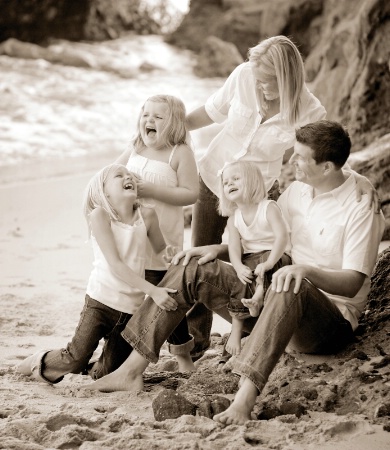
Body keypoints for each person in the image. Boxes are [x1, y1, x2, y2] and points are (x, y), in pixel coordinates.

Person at [83, 120, 384, 432]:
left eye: (300, 158)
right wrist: (217, 250)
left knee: (293, 283)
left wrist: (305, 270)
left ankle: (244, 399)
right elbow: (260, 240)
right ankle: (132, 369)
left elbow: (353, 283)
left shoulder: (360, 206)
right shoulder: (297, 192)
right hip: (269, 299)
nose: (291, 162)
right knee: (192, 265)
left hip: (326, 322)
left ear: (327, 167)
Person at [185, 35, 379, 361]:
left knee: (256, 263)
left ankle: (253, 325)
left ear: (287, 76)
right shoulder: (244, 76)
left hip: (258, 195)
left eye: (267, 81)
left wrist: (358, 179)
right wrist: (174, 131)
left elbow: (327, 152)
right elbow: (210, 111)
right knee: (201, 254)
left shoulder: (310, 109)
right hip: (214, 178)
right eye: (257, 79)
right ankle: (196, 343)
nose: (260, 86)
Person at [16, 164, 181, 384]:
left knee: (107, 374)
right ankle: (40, 359)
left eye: (129, 175)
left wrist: (169, 253)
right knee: (75, 358)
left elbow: (161, 250)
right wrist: (153, 291)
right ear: (104, 191)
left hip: (131, 309)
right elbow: (116, 264)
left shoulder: (147, 215)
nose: (127, 176)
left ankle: (93, 368)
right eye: (118, 175)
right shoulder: (101, 215)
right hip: (101, 301)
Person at [116, 94, 199, 371]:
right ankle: (122, 351)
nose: (149, 120)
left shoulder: (180, 152)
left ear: (173, 123)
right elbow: (112, 174)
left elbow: (190, 194)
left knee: (166, 296)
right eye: (145, 115)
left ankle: (182, 355)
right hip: (132, 236)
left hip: (164, 240)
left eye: (158, 117)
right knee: (131, 293)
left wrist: (151, 190)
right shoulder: (136, 146)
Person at [218, 161, 290, 356]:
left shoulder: (268, 207)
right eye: (225, 182)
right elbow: (234, 246)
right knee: (240, 278)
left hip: (276, 254)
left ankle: (258, 298)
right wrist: (238, 265)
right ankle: (236, 328)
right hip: (251, 257)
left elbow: (282, 237)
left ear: (251, 181)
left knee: (265, 268)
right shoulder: (234, 218)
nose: (229, 184)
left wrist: (269, 262)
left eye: (235, 178)